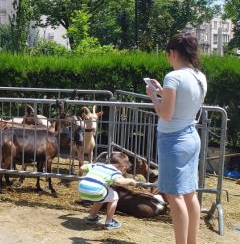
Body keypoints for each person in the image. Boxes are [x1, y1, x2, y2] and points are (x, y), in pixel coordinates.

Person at [145, 33, 207, 244]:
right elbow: (182, 105)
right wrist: (163, 92)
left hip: (173, 140)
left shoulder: (174, 77)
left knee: (174, 195)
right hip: (191, 136)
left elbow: (166, 114)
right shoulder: (199, 76)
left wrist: (153, 95)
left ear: (172, 53)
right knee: (190, 194)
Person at [78, 152, 137, 229]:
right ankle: (109, 222)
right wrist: (130, 180)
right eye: (125, 171)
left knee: (103, 195)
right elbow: (119, 182)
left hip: (81, 190)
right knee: (114, 197)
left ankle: (92, 217)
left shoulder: (98, 165)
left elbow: (82, 168)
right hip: (96, 191)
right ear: (123, 168)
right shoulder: (115, 172)